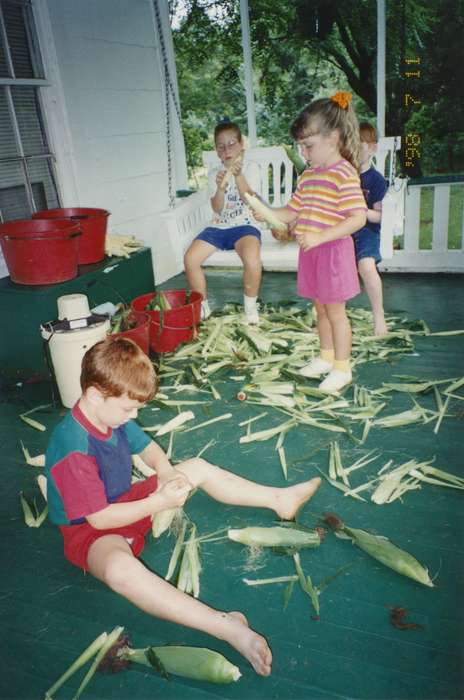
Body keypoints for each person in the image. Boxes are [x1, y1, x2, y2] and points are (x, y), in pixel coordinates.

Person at [45, 336, 321, 677]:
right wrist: (159, 500)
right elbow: (99, 519)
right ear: (94, 395)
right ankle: (226, 627)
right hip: (91, 532)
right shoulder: (73, 447)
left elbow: (147, 448)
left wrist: (167, 473)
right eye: (128, 409)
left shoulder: (111, 416)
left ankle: (279, 499)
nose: (132, 417)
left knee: (198, 467)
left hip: (131, 502)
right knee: (120, 572)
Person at [257, 92, 367, 393]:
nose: (304, 153)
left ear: (333, 137)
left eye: (308, 145)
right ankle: (326, 357)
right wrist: (267, 212)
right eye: (301, 147)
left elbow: (357, 218)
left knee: (335, 313)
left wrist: (320, 235)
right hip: (312, 254)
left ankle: (342, 368)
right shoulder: (308, 176)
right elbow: (292, 211)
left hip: (332, 253)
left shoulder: (343, 173)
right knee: (320, 310)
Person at [184, 120, 263, 324]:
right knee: (191, 259)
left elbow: (249, 198)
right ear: (217, 151)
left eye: (231, 144)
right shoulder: (213, 174)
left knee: (253, 260)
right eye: (221, 146)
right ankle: (203, 307)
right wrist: (220, 188)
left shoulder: (251, 168)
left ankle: (250, 309)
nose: (226, 149)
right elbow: (217, 208)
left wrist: (237, 175)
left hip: (245, 226)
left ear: (241, 145)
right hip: (219, 226)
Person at [352, 122, 389, 336]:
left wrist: (361, 212)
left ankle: (379, 316)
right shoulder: (344, 175)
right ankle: (329, 314)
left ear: (373, 148)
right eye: (351, 144)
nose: (355, 149)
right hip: (345, 231)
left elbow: (380, 216)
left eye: (361, 144)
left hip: (366, 231)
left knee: (366, 267)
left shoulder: (376, 180)